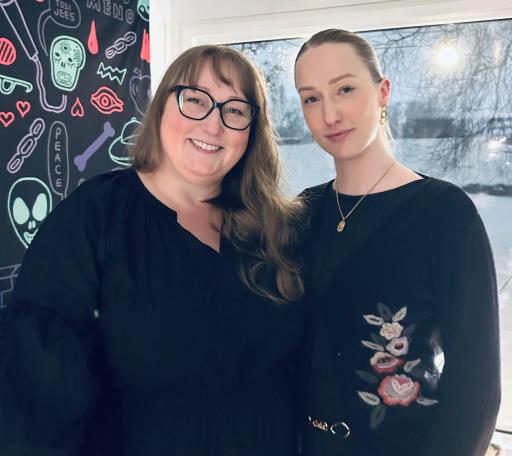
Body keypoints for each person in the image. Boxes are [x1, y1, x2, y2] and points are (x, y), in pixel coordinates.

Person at [0, 45, 305, 456]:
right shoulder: (97, 217)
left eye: (234, 110)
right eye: (195, 100)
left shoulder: (273, 228)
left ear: (252, 130)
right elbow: (39, 388)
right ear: (162, 105)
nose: (213, 124)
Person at [294, 29, 500, 456]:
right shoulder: (302, 212)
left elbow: (476, 387)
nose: (330, 114)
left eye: (345, 89)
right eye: (311, 98)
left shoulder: (444, 212)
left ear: (382, 92)